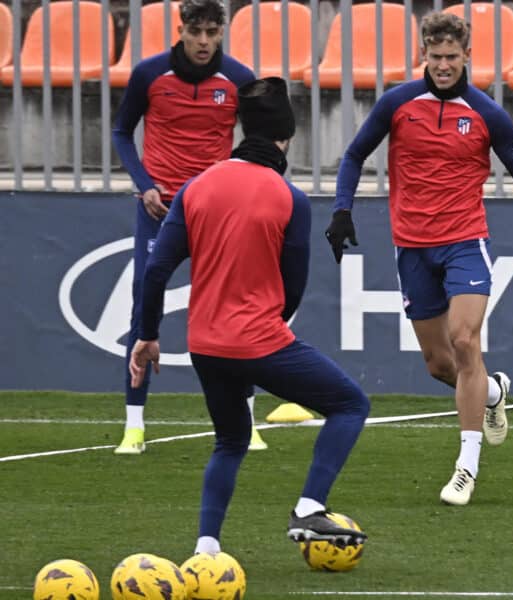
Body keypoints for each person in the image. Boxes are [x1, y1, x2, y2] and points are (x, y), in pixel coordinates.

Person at [325, 11, 513, 506]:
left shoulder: (487, 113)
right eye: (435, 58)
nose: (443, 66)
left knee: (464, 340)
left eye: (452, 58)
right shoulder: (397, 103)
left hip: (465, 242)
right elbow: (353, 155)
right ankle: (493, 394)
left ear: (466, 56)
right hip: (411, 245)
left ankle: (465, 468)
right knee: (439, 365)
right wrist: (341, 210)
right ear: (424, 56)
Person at [129, 77, 371, 556]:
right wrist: (267, 331)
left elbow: (155, 269)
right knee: (350, 405)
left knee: (231, 441)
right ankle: (308, 507)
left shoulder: (197, 187)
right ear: (285, 138)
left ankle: (206, 549)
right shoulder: (290, 198)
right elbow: (293, 285)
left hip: (205, 345)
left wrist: (148, 336)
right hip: (260, 341)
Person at [111, 0, 265, 454]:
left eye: (211, 32)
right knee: (144, 301)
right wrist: (144, 185)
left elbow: (261, 138)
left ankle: (249, 423)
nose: (203, 41)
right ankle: (134, 427)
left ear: (221, 33)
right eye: (195, 31)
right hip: (161, 209)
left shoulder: (238, 78)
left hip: (217, 210)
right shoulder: (149, 74)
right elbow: (122, 131)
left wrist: (238, 183)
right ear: (181, 30)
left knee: (238, 309)